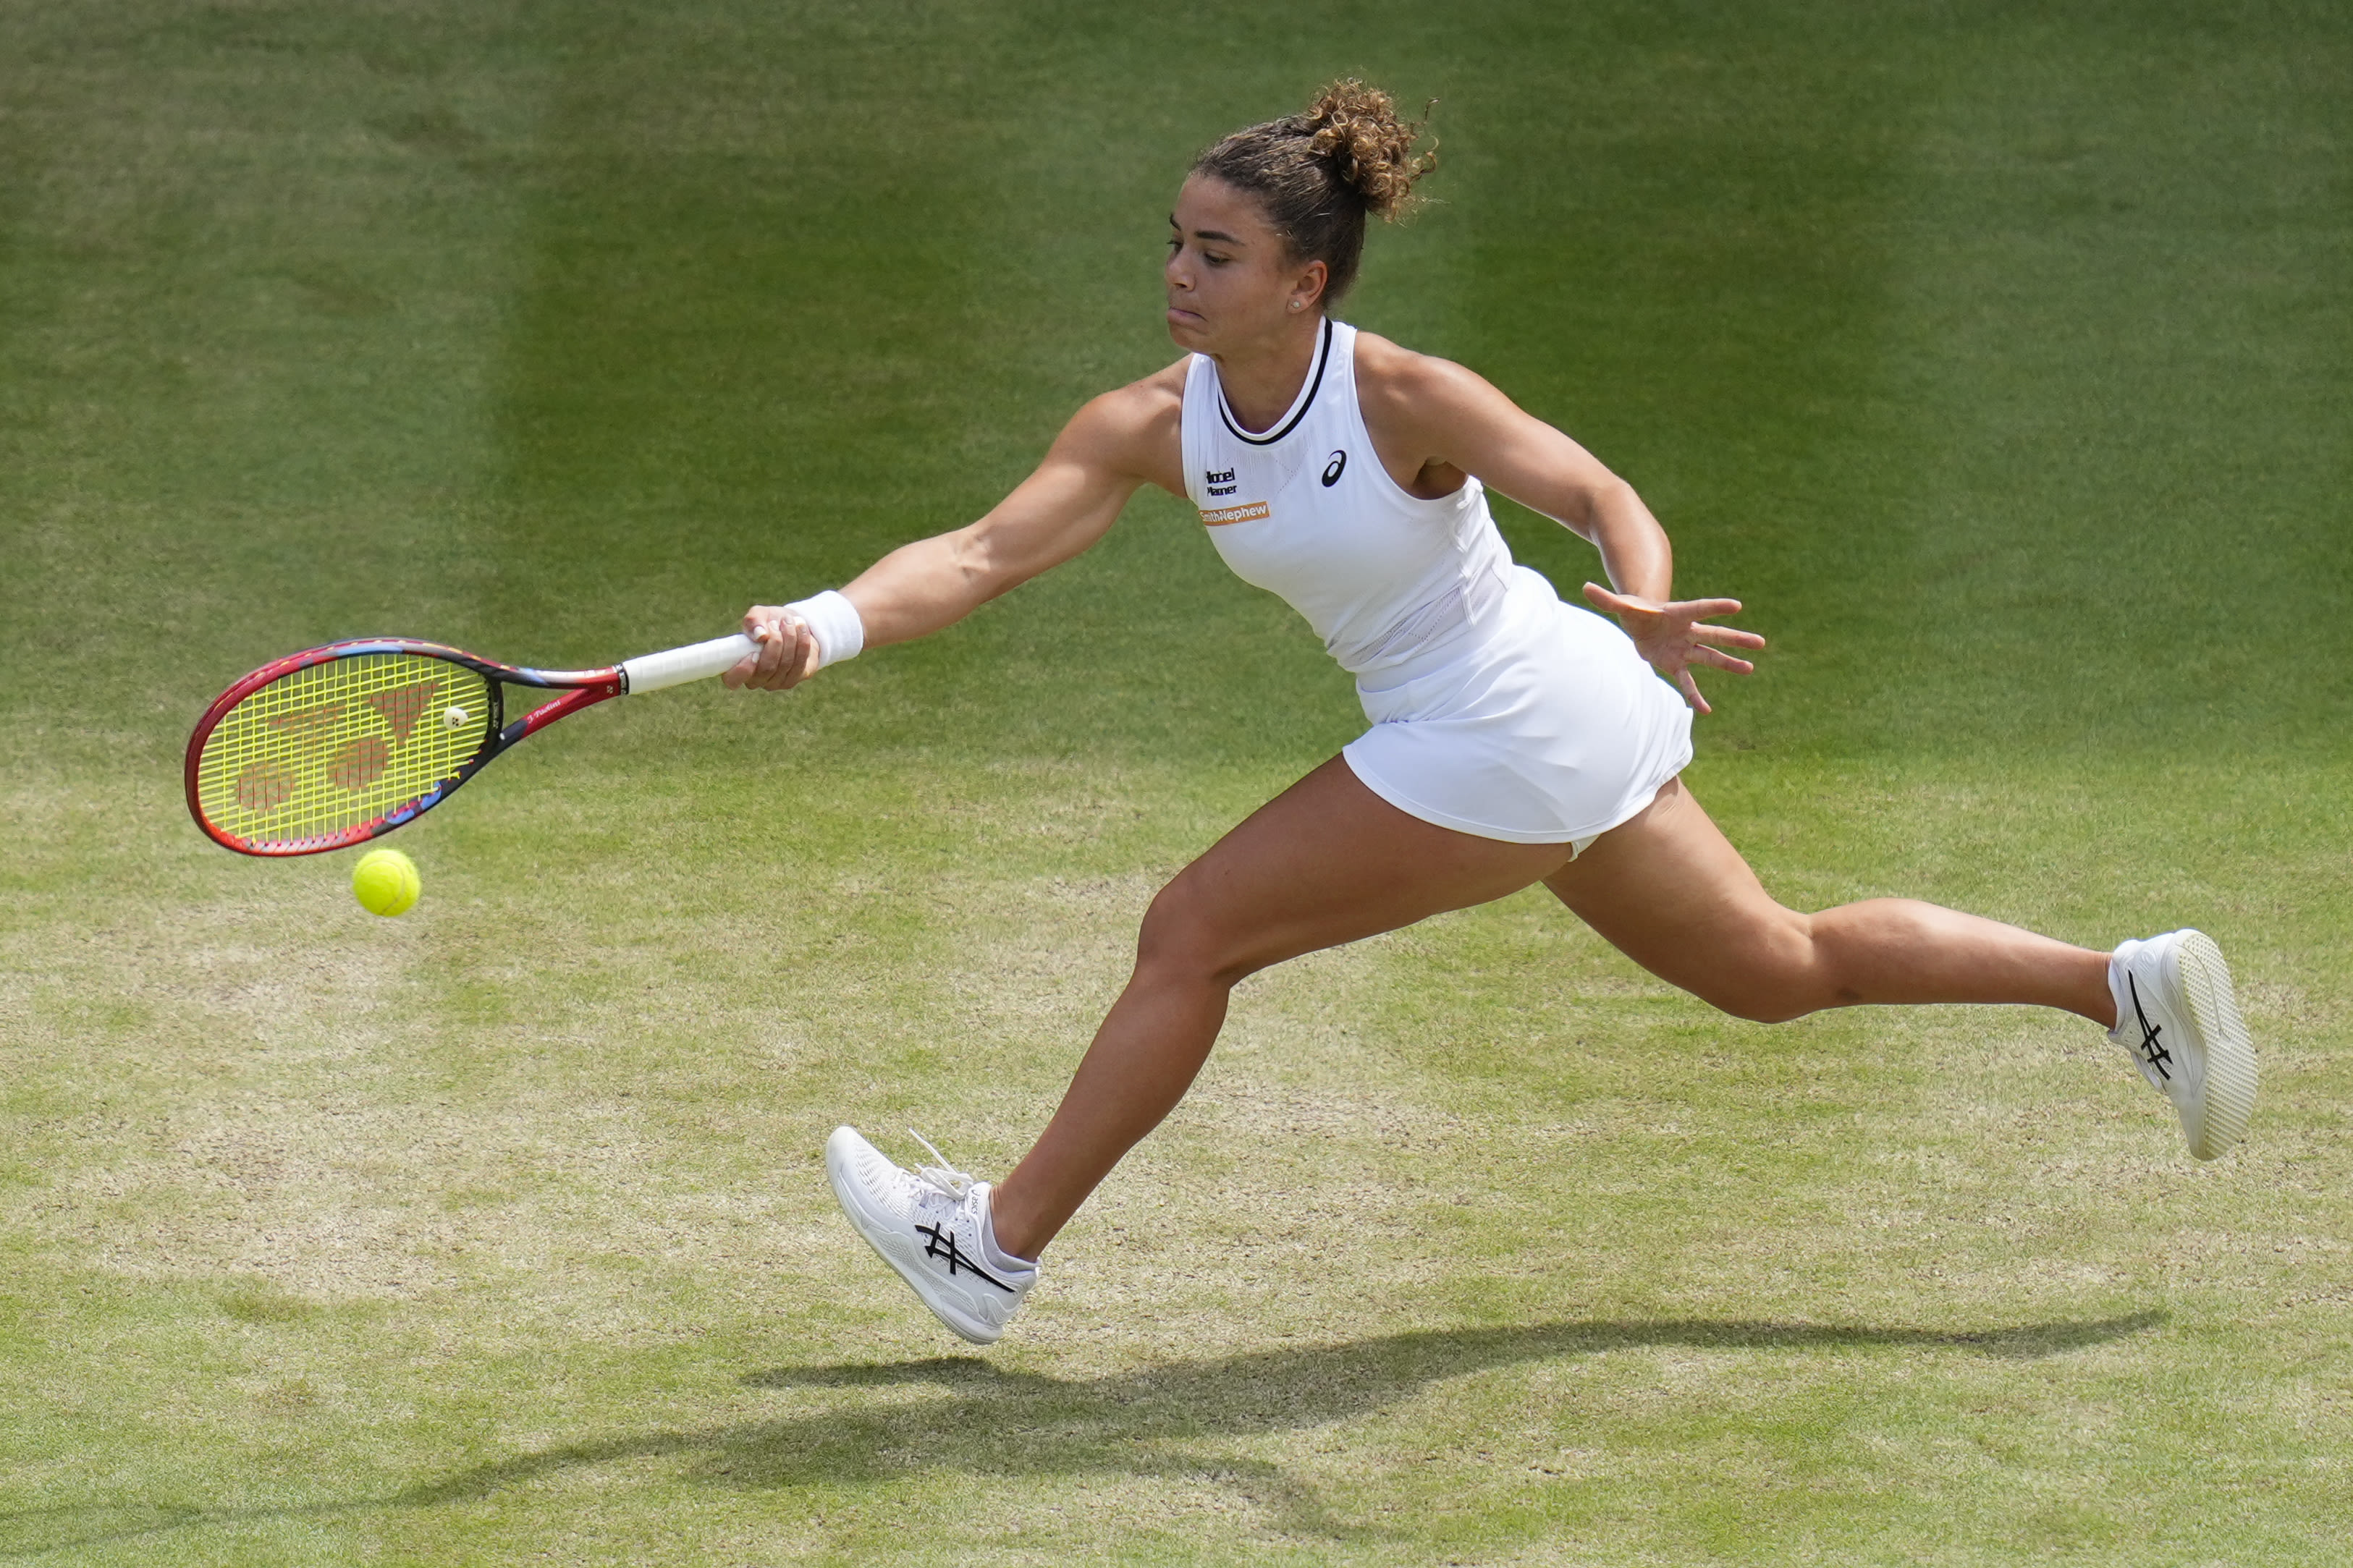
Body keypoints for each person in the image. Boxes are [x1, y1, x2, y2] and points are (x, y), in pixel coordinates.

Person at [723, 82, 2257, 1345]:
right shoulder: (1149, 425)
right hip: (1538, 729)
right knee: (1777, 968)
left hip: (1516, 711)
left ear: (1305, 282)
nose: (1179, 276)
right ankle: (2116, 987)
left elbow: (1596, 493)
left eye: (1218, 254)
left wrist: (1645, 596)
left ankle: (992, 1244)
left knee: (1192, 931)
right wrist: (827, 625)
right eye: (1176, 246)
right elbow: (983, 554)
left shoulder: (1397, 394)